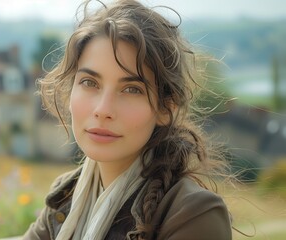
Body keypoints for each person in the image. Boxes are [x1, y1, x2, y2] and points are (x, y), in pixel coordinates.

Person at [24, 0, 233, 239]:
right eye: (90, 83)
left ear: (166, 108)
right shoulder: (65, 197)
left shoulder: (193, 214)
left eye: (132, 89)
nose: (103, 110)